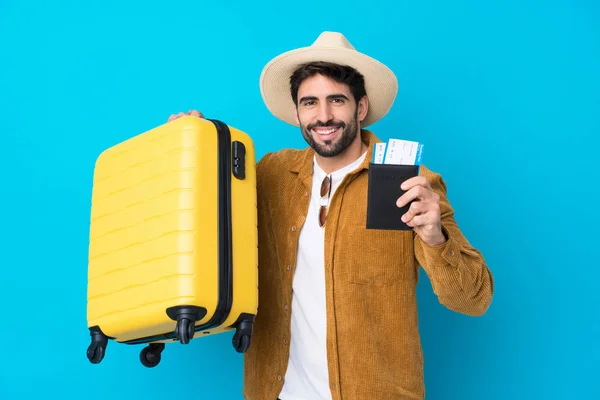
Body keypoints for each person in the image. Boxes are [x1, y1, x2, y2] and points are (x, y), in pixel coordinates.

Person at [168, 31, 494, 400]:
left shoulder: (411, 182)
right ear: (296, 112)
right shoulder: (272, 175)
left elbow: (473, 299)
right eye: (310, 103)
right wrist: (189, 144)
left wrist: (435, 236)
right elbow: (206, 211)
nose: (323, 116)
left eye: (336, 100)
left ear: (361, 107)